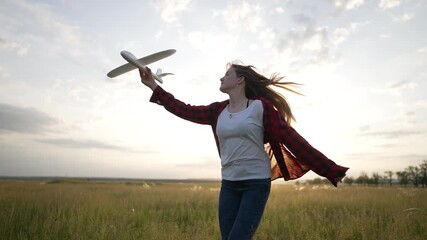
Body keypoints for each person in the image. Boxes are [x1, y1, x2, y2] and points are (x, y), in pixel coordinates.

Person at [139, 62, 349, 240]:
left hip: (255, 183)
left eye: (227, 74)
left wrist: (329, 169)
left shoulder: (261, 107)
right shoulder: (217, 110)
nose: (221, 78)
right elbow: (184, 109)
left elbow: (294, 140)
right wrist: (152, 87)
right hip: (229, 184)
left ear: (240, 80)